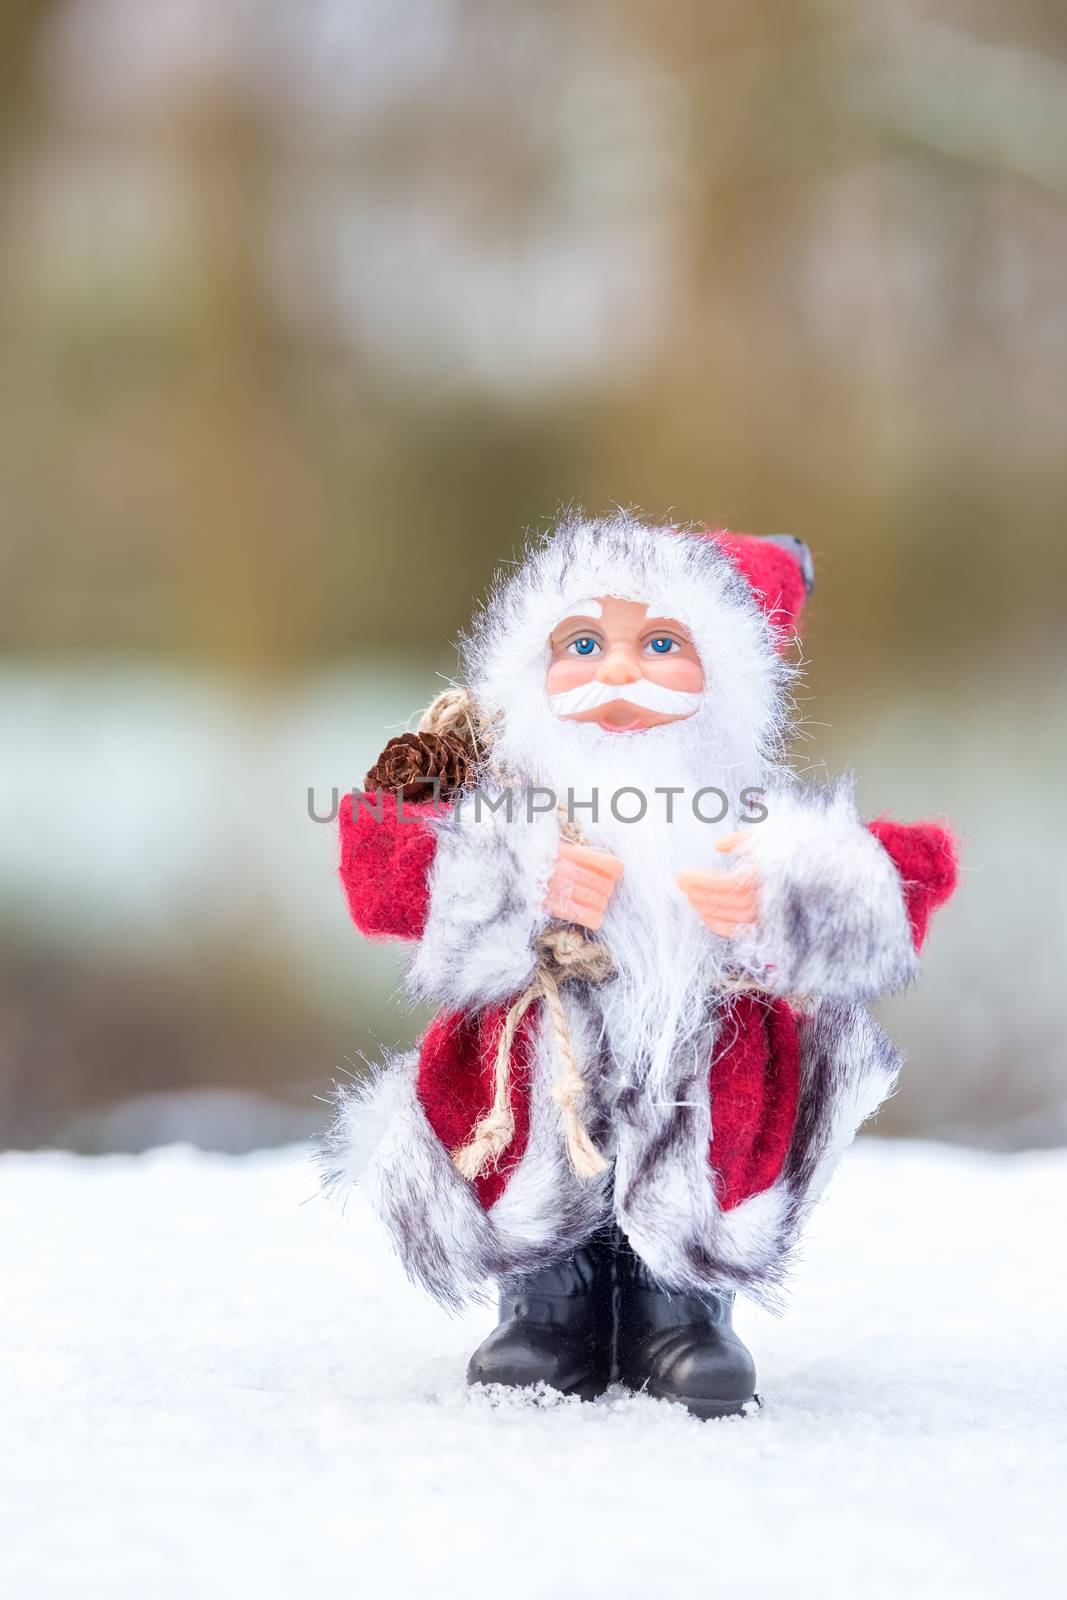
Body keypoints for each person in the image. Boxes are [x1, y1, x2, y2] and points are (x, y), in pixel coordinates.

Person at [322, 512, 957, 1419]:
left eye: (661, 643)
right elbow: (380, 869)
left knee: (700, 1154)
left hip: (703, 1047)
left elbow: (911, 867)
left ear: (727, 677)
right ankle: (546, 1308)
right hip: (545, 1040)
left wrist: (789, 889)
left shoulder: (737, 808)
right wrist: (517, 882)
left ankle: (684, 1314)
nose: (617, 670)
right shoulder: (510, 801)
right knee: (545, 1156)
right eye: (583, 642)